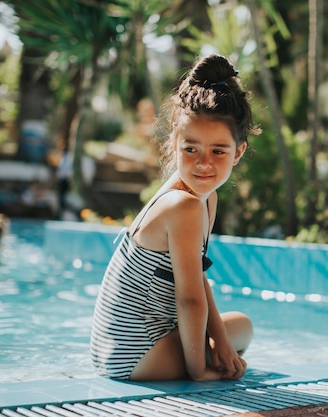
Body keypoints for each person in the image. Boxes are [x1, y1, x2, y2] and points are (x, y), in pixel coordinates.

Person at [90, 54, 258, 381]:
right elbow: (190, 299)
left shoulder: (204, 198)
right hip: (132, 355)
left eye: (218, 151)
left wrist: (220, 341)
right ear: (174, 143)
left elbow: (196, 277)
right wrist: (201, 371)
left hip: (115, 349)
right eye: (191, 149)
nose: (203, 163)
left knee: (239, 328)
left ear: (238, 152)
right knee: (238, 332)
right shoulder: (183, 205)